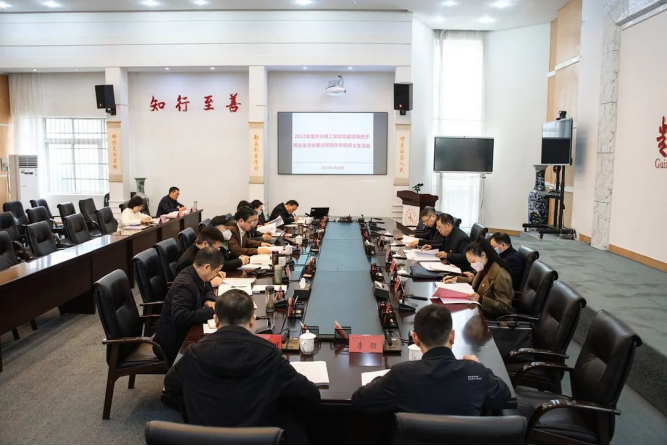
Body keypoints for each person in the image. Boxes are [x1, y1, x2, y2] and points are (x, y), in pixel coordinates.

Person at [164, 290, 321, 444]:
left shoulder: (194, 353)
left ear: (216, 319)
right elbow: (310, 394)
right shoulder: (269, 354)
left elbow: (170, 385)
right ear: (252, 320)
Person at [352, 305, 511, 416]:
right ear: (452, 336)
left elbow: (360, 400)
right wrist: (480, 367)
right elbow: (504, 396)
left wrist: (385, 379)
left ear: (415, 339)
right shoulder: (476, 372)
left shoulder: (401, 374)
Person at [154, 247, 223, 365]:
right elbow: (180, 316)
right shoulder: (185, 285)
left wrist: (208, 300)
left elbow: (207, 286)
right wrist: (212, 311)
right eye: (216, 271)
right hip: (174, 343)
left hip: (186, 331)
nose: (216, 275)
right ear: (206, 267)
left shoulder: (195, 272)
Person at [443, 238, 515, 320]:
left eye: (473, 261)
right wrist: (456, 279)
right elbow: (477, 282)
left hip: (490, 317)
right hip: (477, 310)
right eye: (470, 262)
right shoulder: (485, 266)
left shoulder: (500, 275)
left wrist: (480, 299)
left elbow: (505, 307)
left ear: (483, 255)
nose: (471, 265)